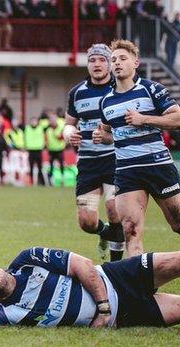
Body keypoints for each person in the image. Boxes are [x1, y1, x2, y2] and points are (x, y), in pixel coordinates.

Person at [0, 247, 180, 328]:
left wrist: (103, 310)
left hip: (117, 277)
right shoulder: (5, 312)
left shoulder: (28, 259)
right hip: (126, 314)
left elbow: (82, 264)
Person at [94, 39, 180, 258]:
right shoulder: (106, 102)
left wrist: (144, 119)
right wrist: (101, 136)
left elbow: (177, 118)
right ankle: (138, 288)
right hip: (127, 171)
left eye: (123, 58)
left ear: (136, 62)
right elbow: (109, 133)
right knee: (130, 230)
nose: (117, 63)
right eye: (113, 60)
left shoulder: (151, 89)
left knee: (178, 223)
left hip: (158, 165)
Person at [64, 43, 124, 262]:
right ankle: (106, 234)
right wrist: (69, 134)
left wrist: (109, 137)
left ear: (109, 63)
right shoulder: (77, 93)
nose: (97, 64)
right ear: (87, 64)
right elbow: (69, 124)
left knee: (114, 209)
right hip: (88, 163)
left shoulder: (120, 89)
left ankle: (115, 266)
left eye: (101, 60)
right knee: (87, 222)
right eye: (92, 60)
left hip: (114, 159)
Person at [23, 116, 45, 186]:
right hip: (31, 149)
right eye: (32, 121)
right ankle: (31, 182)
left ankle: (41, 182)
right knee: (31, 167)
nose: (34, 123)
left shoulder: (40, 128)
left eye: (35, 121)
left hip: (38, 149)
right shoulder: (27, 128)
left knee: (40, 167)